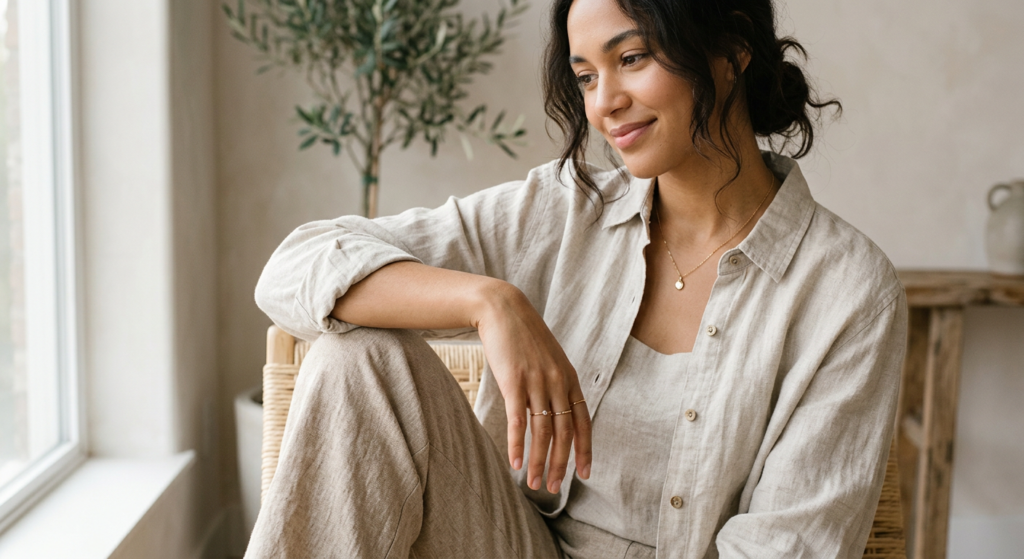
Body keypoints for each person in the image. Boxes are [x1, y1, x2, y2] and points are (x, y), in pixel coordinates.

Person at [247, 0, 908, 557]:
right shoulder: (564, 210)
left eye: (631, 59)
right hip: (503, 538)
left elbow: (789, 544)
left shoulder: (847, 291)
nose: (605, 105)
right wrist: (489, 300)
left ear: (733, 48)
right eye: (586, 76)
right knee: (357, 358)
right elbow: (296, 265)